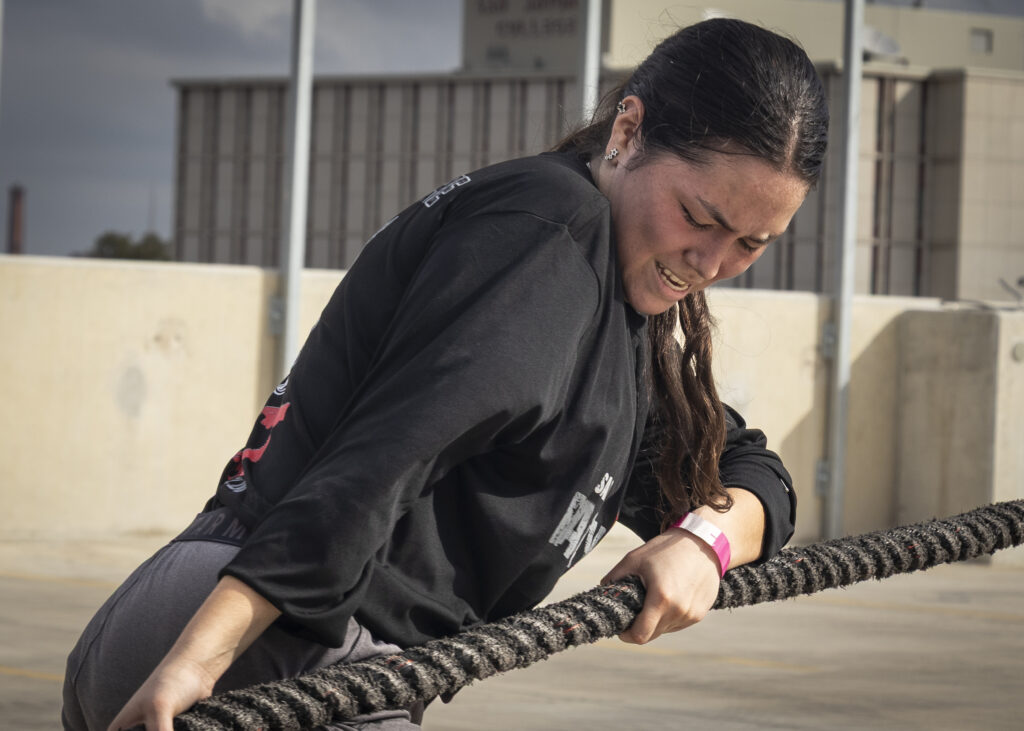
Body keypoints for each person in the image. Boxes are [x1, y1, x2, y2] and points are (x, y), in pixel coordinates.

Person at [62, 17, 828, 731]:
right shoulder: (549, 239)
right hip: (264, 642)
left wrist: (705, 541)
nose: (712, 264)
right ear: (628, 132)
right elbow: (382, 458)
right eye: (698, 217)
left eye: (751, 244)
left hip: (316, 654)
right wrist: (196, 658)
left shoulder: (615, 315)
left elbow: (751, 471)